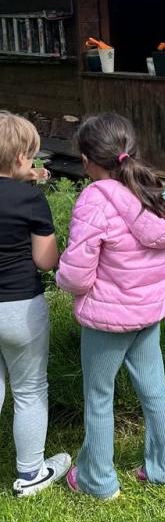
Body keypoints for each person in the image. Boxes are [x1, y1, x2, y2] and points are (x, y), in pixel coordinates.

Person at [56, 114, 165, 500]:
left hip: (107, 319)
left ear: (86, 160)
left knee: (99, 396)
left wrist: (62, 280)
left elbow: (78, 273)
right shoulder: (155, 191)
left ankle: (96, 480)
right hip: (148, 313)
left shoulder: (94, 199)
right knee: (154, 388)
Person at [0, 112, 71, 496]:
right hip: (19, 307)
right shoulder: (30, 199)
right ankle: (30, 474)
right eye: (29, 155)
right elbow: (46, 261)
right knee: (28, 389)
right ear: (18, 159)